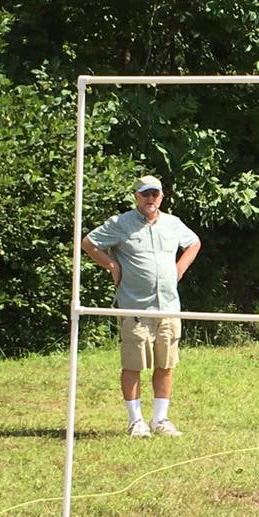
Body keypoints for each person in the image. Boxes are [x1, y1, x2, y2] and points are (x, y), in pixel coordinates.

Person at [81, 175, 202, 438]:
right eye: (145, 194)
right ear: (136, 196)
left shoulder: (173, 223)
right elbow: (89, 243)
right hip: (135, 307)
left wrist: (180, 268)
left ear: (161, 197)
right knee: (133, 365)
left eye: (155, 194)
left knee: (166, 364)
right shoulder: (121, 224)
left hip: (168, 305)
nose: (151, 199)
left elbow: (194, 243)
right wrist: (111, 265)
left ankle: (161, 419)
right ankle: (136, 421)